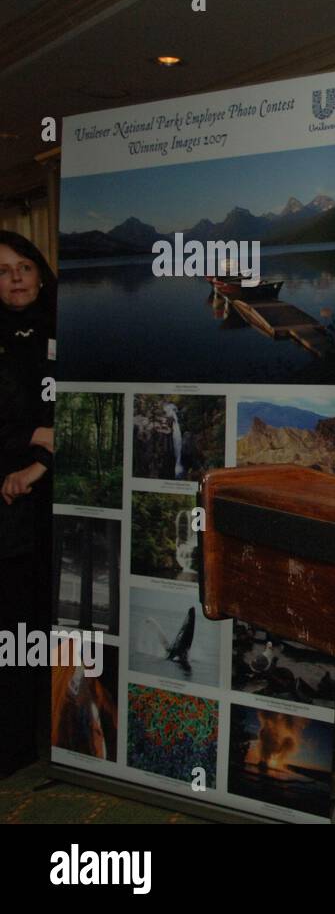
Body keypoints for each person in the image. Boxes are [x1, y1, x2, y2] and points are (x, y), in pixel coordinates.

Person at [0, 230, 56, 776]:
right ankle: (14, 749)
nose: (15, 278)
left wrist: (40, 461)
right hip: (7, 508)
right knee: (12, 633)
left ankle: (68, 741)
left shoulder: (72, 332)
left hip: (62, 502)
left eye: (24, 266)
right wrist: (28, 439)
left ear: (40, 271)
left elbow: (85, 420)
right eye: (2, 270)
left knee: (57, 625)